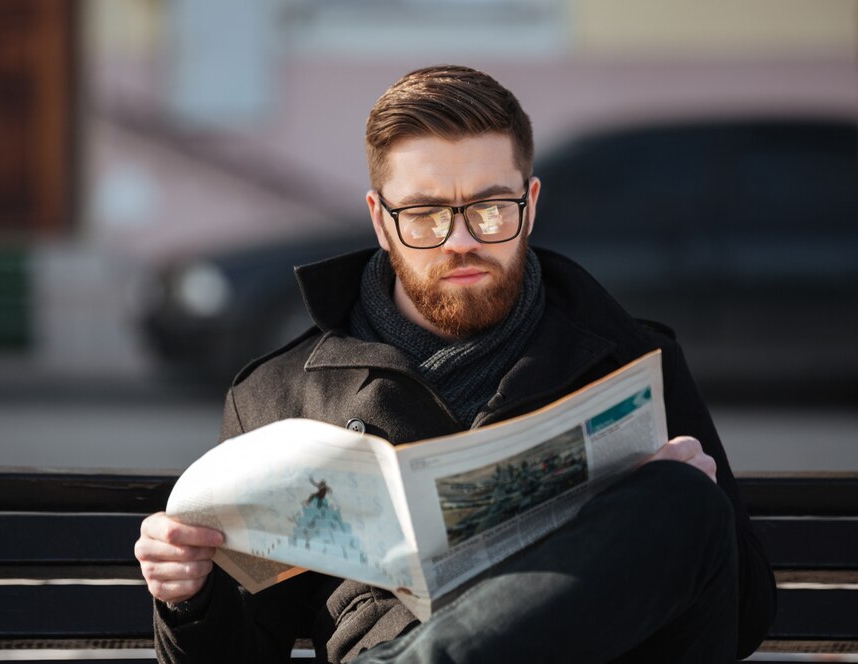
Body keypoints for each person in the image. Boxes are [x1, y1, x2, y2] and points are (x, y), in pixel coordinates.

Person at [134, 65, 776, 663]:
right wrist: (187, 595)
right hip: (387, 640)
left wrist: (673, 512)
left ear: (531, 204)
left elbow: (742, 617)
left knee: (683, 498)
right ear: (380, 222)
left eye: (491, 208)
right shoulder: (278, 397)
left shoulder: (631, 360)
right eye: (425, 214)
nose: (462, 240)